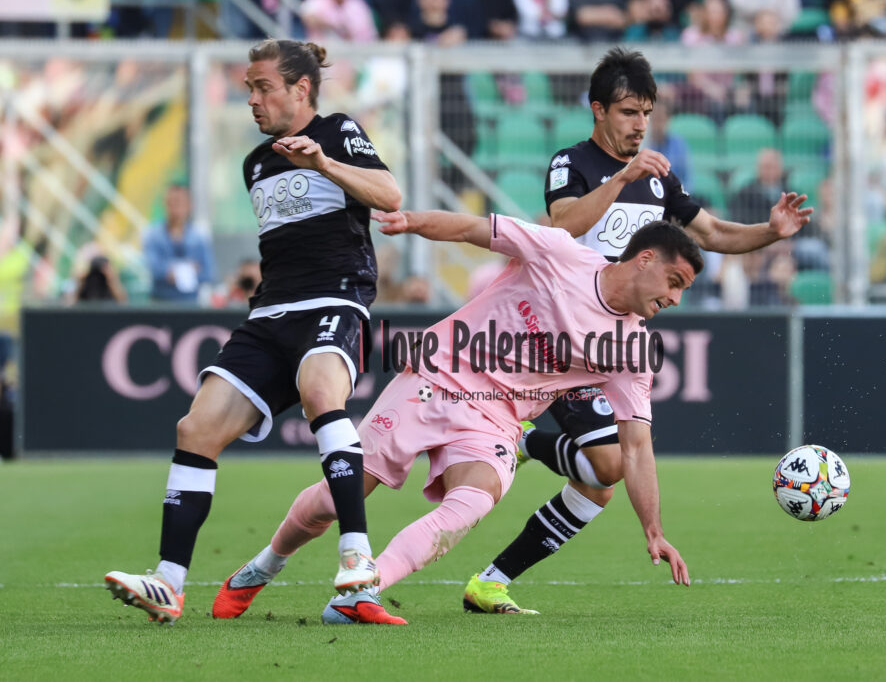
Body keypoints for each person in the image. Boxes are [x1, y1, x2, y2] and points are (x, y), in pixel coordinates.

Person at [213, 210, 702, 624]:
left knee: (475, 499)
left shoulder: (632, 350)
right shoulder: (559, 253)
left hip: (496, 419)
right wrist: (412, 221)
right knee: (338, 496)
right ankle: (262, 566)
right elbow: (474, 229)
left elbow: (635, 446)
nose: (675, 299)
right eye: (674, 282)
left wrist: (653, 530)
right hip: (437, 373)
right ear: (645, 260)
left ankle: (359, 592)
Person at [462, 46, 809, 614]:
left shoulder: (657, 180)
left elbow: (714, 234)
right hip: (558, 335)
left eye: (646, 112)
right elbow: (560, 224)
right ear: (598, 110)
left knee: (601, 482)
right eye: (628, 112)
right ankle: (522, 442)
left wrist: (770, 232)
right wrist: (622, 177)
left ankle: (491, 580)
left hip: (612, 345)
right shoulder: (571, 163)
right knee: (610, 463)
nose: (640, 124)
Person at [103, 38, 402, 625]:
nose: (253, 100)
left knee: (322, 390)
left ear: (301, 89)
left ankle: (357, 555)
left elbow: (389, 196)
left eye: (263, 87)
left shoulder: (339, 131)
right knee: (196, 427)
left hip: (334, 299)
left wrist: (322, 163)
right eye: (248, 89)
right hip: (269, 316)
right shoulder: (256, 163)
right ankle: (168, 582)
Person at [143, 183, 217, 304]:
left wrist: (179, 273)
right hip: (160, 302)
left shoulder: (198, 237)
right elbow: (154, 268)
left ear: (189, 205)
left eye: (179, 203)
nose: (175, 208)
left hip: (190, 303)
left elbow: (209, 273)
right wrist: (185, 269)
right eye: (171, 203)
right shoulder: (153, 235)